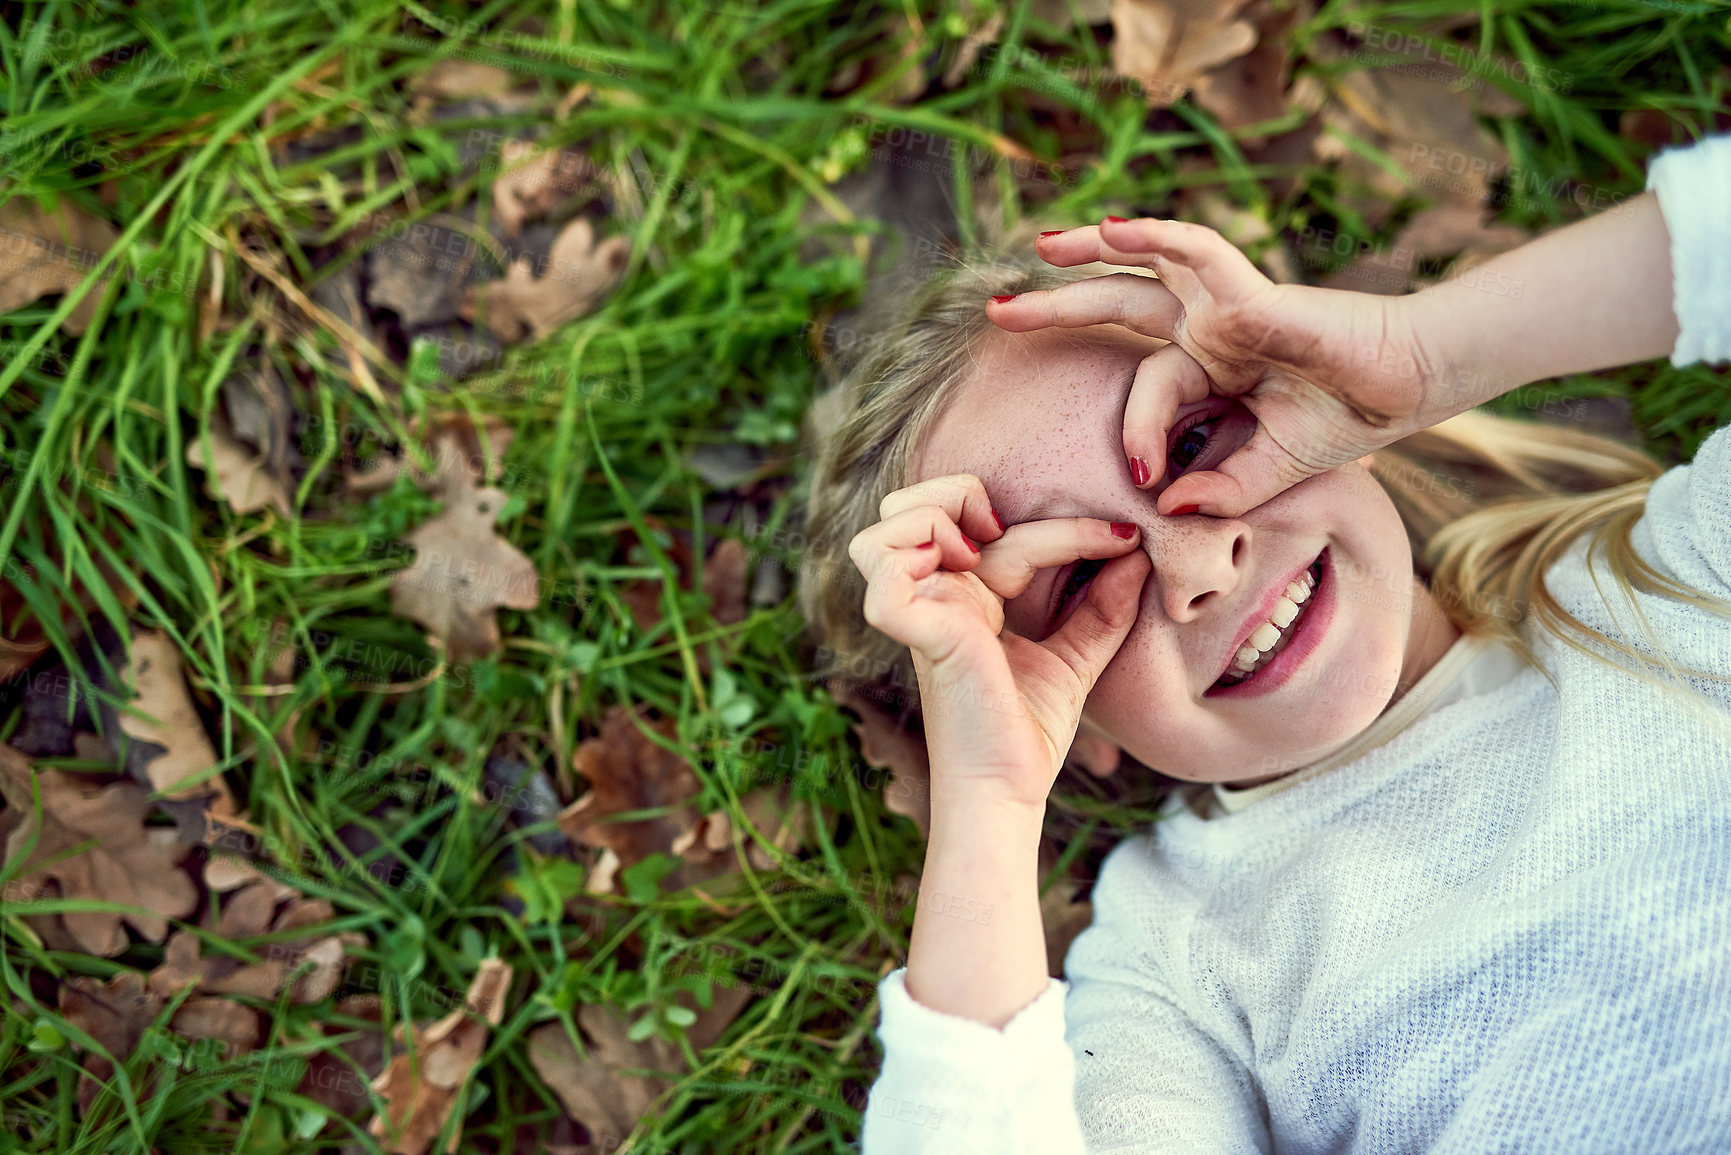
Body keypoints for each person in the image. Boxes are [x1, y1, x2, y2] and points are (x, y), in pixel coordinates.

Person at [796, 128, 1731, 1153]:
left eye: (1196, 440)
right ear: (1075, 732)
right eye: (1079, 580)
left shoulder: (1676, 584)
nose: (1202, 569)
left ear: (1329, 418)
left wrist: (1426, 352)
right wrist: (989, 802)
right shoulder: (1175, 962)